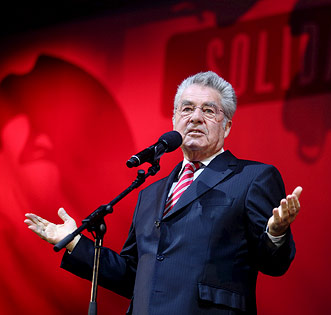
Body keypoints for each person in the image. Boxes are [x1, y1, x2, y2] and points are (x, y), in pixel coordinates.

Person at [24, 71, 302, 314]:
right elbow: (132, 275)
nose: (195, 117)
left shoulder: (253, 177)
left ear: (226, 125)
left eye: (208, 111)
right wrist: (74, 243)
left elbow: (274, 265)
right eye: (187, 109)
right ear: (173, 121)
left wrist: (275, 233)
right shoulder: (150, 193)